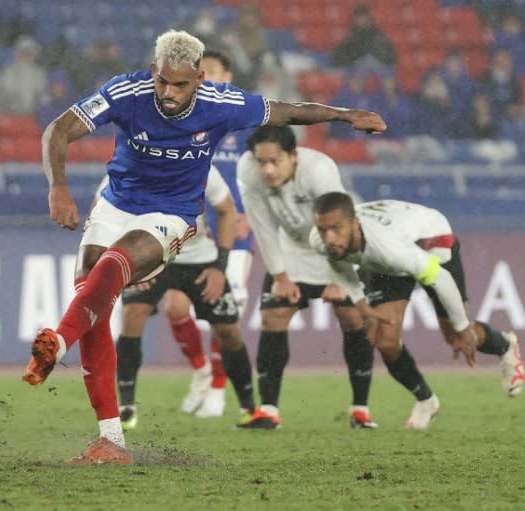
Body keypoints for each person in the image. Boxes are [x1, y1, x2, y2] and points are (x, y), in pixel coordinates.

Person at [22, 29, 386, 465]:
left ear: (198, 78)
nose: (169, 93)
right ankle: (110, 441)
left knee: (115, 266)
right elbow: (58, 130)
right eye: (162, 82)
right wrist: (58, 189)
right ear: (154, 72)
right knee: (91, 300)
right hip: (116, 203)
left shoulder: (224, 103)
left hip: (172, 212)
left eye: (180, 84)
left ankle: (57, 343)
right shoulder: (125, 90)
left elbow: (288, 112)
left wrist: (345, 115)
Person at [310, 193, 525, 429]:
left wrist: (463, 328)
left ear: (355, 224)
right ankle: (426, 400)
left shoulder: (390, 250)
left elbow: (440, 277)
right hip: (393, 247)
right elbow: (338, 264)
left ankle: (505, 346)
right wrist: (361, 303)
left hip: (431, 240)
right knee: (385, 340)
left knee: (455, 336)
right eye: (323, 230)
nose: (329, 237)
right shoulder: (320, 239)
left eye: (336, 229)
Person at [235, 125, 377, 430]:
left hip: (338, 246)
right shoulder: (247, 171)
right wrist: (280, 276)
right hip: (292, 247)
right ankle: (269, 411)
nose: (268, 170)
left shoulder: (319, 170)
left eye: (275, 161)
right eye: (262, 162)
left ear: (293, 156)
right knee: (273, 316)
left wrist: (340, 280)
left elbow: (337, 226)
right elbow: (262, 227)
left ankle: (360, 410)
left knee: (353, 318)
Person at [110, 166, 257, 431]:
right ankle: (126, 408)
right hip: (151, 256)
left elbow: (226, 210)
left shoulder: (201, 167)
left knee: (229, 331)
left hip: (200, 259)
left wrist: (220, 267)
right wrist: (132, 263)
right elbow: (105, 211)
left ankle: (249, 409)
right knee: (132, 315)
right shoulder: (132, 162)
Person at [158, 50, 254, 419]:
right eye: (202, 74)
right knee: (175, 306)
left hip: (235, 228)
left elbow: (262, 175)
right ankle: (201, 373)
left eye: (213, 72)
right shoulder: (182, 119)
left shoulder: (244, 120)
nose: (207, 79)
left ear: (227, 77)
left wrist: (249, 215)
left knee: (221, 317)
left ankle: (217, 389)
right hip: (190, 228)